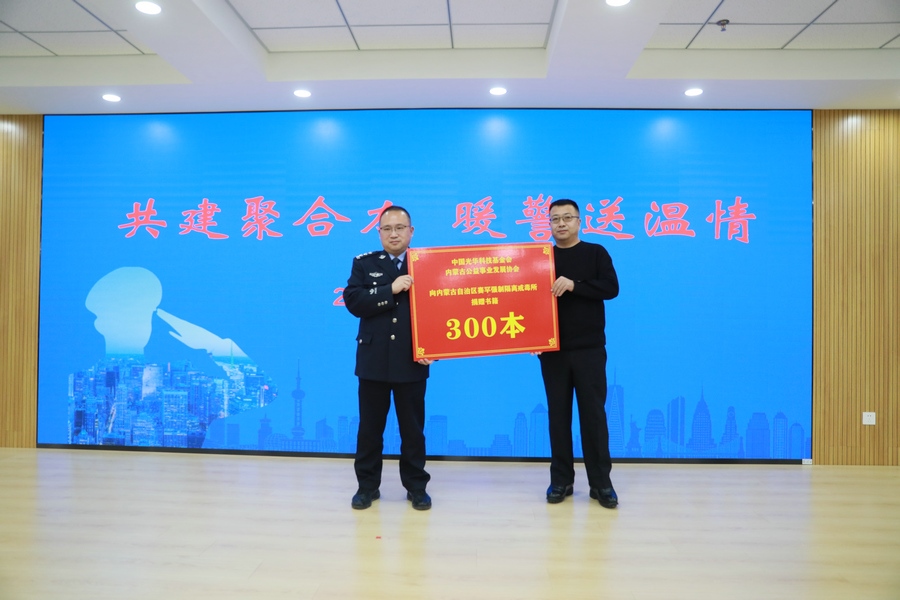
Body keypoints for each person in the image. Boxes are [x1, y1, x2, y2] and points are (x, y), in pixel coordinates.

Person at [343, 205, 434, 511]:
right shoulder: (364, 263)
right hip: (374, 360)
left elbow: (439, 310)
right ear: (379, 232)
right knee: (370, 429)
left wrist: (432, 348)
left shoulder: (426, 264)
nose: (394, 234)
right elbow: (353, 301)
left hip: (412, 360)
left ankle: (417, 487)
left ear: (411, 231)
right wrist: (390, 289)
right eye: (387, 229)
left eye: (400, 228)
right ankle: (367, 487)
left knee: (413, 430)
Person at [539, 198, 620, 509]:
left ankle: (601, 483)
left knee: (593, 417)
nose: (561, 223)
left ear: (579, 222)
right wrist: (532, 337)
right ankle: (561, 480)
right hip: (553, 350)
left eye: (567, 218)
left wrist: (575, 285)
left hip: (589, 350)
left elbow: (611, 288)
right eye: (555, 219)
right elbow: (528, 299)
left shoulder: (596, 252)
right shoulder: (542, 258)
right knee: (558, 417)